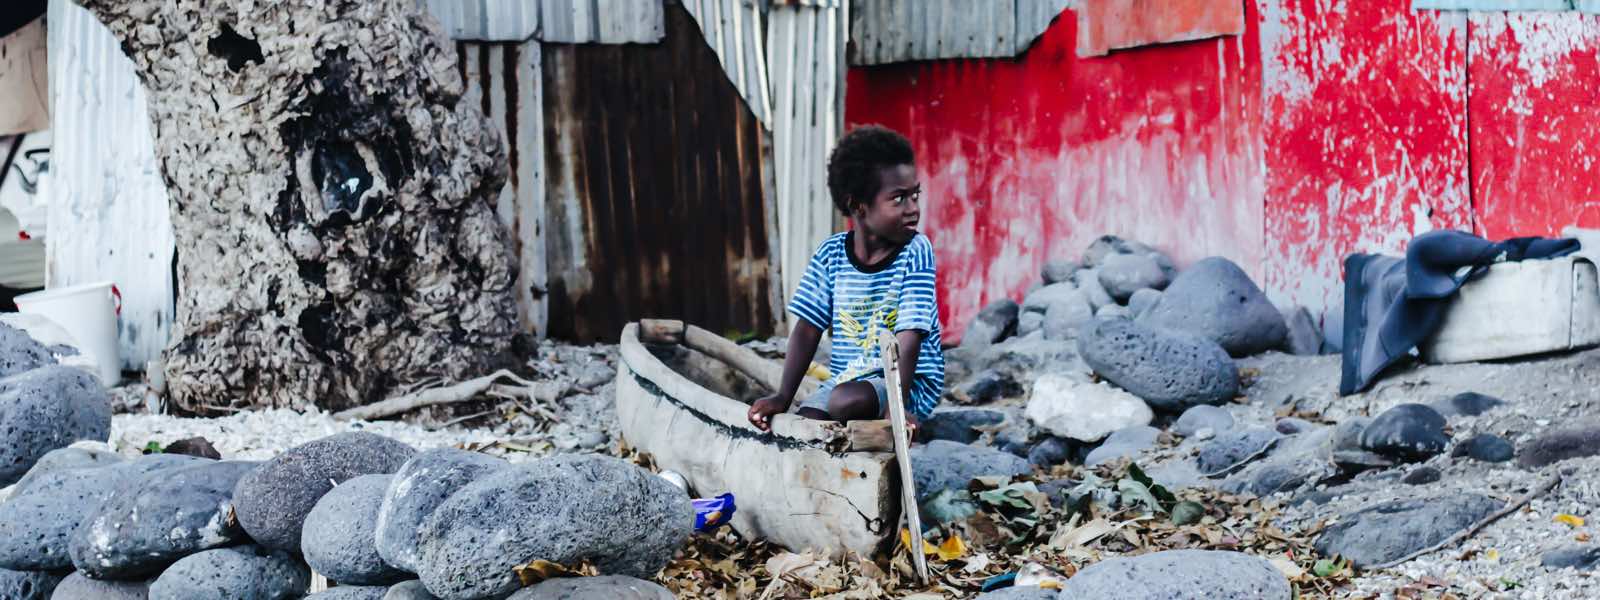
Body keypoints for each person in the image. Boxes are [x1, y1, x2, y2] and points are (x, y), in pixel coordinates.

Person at [746, 125, 944, 434]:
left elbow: (909, 335)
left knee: (843, 403)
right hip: (848, 382)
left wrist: (897, 407)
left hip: (907, 384)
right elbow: (808, 329)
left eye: (914, 195)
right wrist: (783, 396)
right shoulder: (831, 255)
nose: (913, 209)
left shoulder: (916, 250)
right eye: (899, 199)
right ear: (858, 207)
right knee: (805, 426)